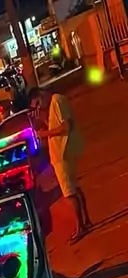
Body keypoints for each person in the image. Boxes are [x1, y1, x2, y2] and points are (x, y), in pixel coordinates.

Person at [29, 86, 92, 243]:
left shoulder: (56, 100)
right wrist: (42, 120)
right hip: (61, 154)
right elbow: (55, 126)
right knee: (74, 189)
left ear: (41, 95)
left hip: (63, 154)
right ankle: (86, 221)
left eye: (37, 104)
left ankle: (80, 226)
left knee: (69, 193)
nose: (38, 108)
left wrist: (44, 134)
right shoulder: (52, 105)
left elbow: (65, 127)